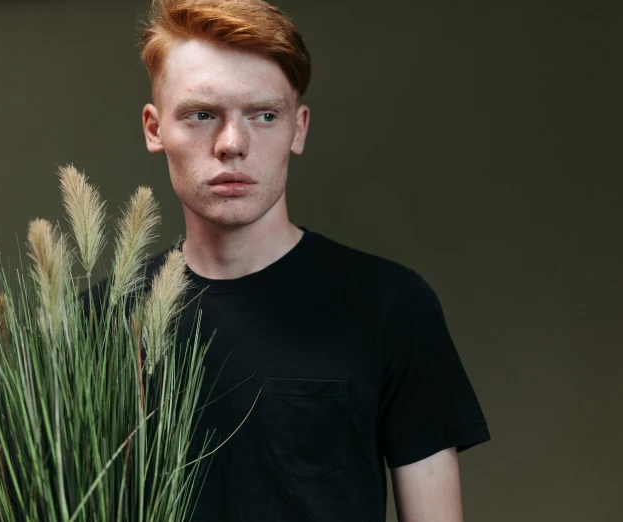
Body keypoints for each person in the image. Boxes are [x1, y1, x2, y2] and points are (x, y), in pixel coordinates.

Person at [81, 0, 490, 520]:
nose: (232, 144)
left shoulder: (391, 307)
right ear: (154, 128)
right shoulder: (96, 321)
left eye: (264, 115)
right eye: (202, 114)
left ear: (298, 129)